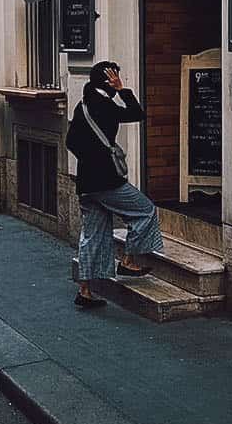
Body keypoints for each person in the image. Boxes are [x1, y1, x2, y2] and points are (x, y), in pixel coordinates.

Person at [65, 61, 164, 309]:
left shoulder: (83, 105)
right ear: (108, 81)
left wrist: (90, 159)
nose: (117, 80)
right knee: (145, 210)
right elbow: (137, 113)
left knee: (92, 235)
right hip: (107, 182)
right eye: (115, 78)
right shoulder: (105, 105)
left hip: (86, 183)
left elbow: (71, 142)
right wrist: (123, 89)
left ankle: (85, 291)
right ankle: (129, 260)